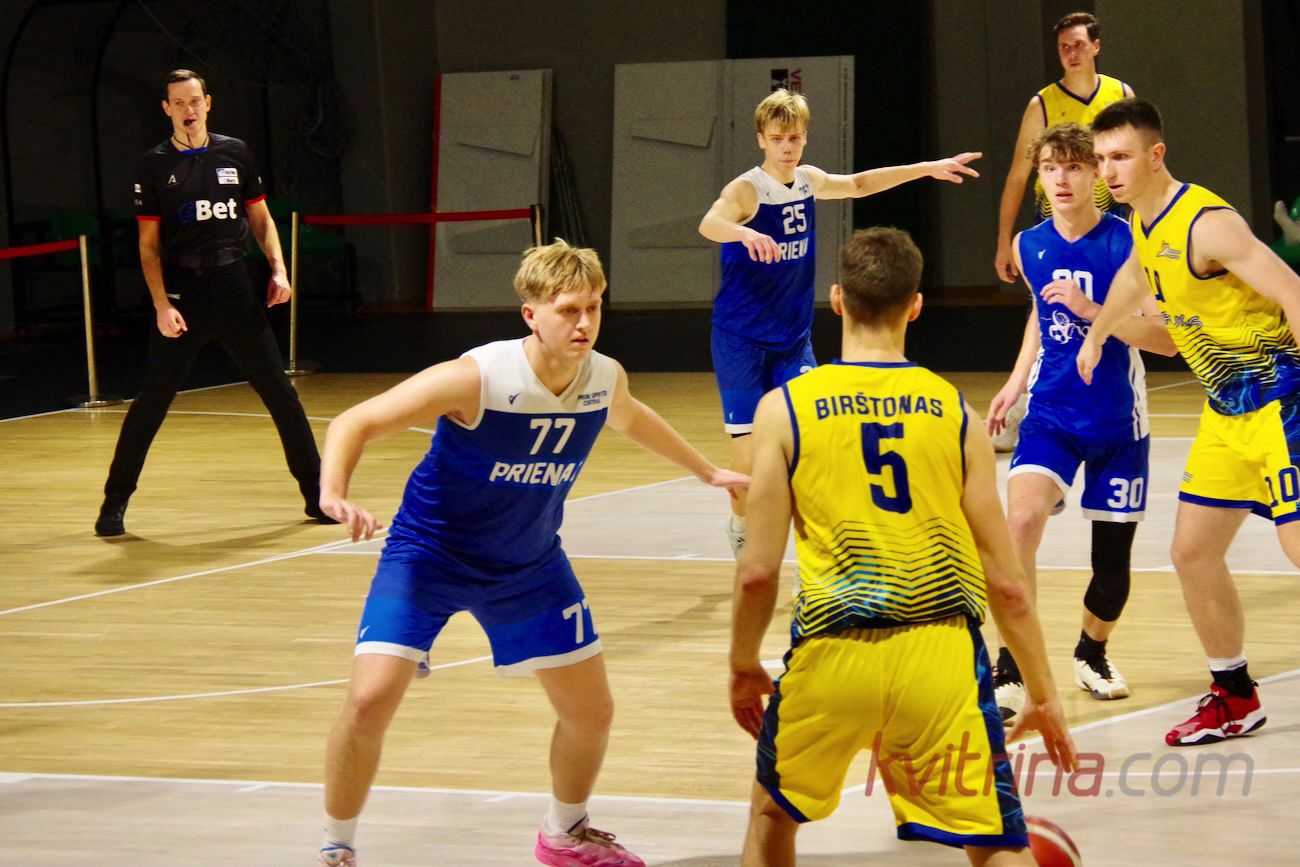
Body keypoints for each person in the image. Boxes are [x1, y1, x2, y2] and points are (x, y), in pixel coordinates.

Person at [315, 240, 748, 867]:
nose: (584, 323)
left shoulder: (604, 377)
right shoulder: (477, 377)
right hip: (429, 557)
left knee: (592, 713)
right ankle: (337, 846)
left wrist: (707, 471)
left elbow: (631, 416)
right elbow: (352, 422)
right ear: (531, 315)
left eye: (593, 308)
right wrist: (333, 493)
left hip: (529, 564)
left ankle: (564, 834)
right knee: (367, 701)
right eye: (569, 310)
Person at [729, 227, 1077, 866]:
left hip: (833, 653)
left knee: (772, 816)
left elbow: (756, 572)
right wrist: (1043, 691)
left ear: (837, 299)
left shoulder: (782, 410)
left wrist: (743, 663)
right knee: (993, 842)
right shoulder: (955, 413)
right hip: (939, 657)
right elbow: (1007, 584)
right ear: (915, 306)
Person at [1080, 97, 1300, 746]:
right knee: (1192, 553)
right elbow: (1133, 279)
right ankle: (1235, 696)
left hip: (1282, 404)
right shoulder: (1142, 224)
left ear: (1156, 156)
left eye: (1120, 157)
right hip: (1228, 413)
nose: (1107, 171)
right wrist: (1097, 334)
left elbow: (1292, 289)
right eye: (1100, 159)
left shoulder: (1208, 223)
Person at [699, 87, 980, 555]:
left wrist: (927, 168)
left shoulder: (808, 180)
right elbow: (709, 223)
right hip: (740, 340)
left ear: (805, 138)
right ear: (761, 139)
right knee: (748, 460)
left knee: (818, 438)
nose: (787, 147)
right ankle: (741, 526)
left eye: (794, 138)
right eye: (777, 139)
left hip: (792, 338)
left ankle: (821, 549)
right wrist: (742, 233)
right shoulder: (746, 189)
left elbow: (860, 183)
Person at [985, 122, 1178, 722]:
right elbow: (1040, 314)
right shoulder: (1029, 245)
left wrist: (1095, 311)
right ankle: (1012, 665)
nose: (1061, 178)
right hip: (1051, 414)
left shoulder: (1129, 239)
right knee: (1019, 524)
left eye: (1073, 166)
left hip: (1118, 423)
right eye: (1050, 168)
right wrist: (1016, 380)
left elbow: (1166, 339)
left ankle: (1091, 652)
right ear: (1040, 179)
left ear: (1096, 172)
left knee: (1112, 571)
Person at [94, 69, 332, 536]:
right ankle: (114, 503)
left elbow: (261, 219)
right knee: (152, 401)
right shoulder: (153, 165)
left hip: (234, 288)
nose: (189, 110)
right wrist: (162, 305)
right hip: (183, 292)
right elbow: (148, 245)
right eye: (179, 103)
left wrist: (279, 270)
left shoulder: (235, 152)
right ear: (166, 109)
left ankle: (317, 495)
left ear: (208, 103)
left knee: (281, 393)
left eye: (195, 101)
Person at [990, 12, 1134, 453]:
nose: (1071, 53)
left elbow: (1135, 162)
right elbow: (1018, 173)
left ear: (1096, 46)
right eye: (1063, 47)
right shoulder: (1043, 104)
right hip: (1055, 215)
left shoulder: (1120, 95)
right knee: (1047, 311)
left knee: (1113, 308)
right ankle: (1025, 405)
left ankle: (1110, 395)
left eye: (1078, 44)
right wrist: (1004, 241)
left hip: (1107, 217)